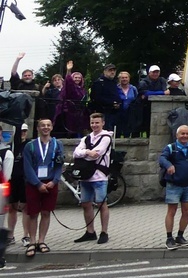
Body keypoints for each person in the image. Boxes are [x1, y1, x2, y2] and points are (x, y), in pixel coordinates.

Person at [23, 119, 65, 257]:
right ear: (38, 128)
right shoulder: (30, 146)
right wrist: (38, 184)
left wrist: (54, 181)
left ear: (52, 127)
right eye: (43, 125)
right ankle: (32, 242)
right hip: (34, 183)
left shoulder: (57, 144)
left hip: (51, 182)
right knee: (33, 213)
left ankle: (42, 241)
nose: (45, 128)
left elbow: (59, 164)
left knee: (46, 212)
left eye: (48, 125)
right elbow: (27, 167)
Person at [159, 125, 188, 250]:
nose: (185, 136)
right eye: (182, 134)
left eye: (187, 134)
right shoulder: (171, 148)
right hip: (174, 185)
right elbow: (162, 158)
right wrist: (169, 165)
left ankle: (180, 236)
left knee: (187, 211)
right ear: (177, 135)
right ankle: (169, 238)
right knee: (171, 211)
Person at [72, 113, 113, 244]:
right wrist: (87, 152)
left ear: (103, 123)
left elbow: (97, 154)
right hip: (86, 176)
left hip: (100, 176)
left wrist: (85, 153)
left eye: (97, 122)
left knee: (101, 204)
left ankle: (104, 232)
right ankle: (90, 232)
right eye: (92, 123)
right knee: (85, 204)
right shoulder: (86, 138)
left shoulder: (106, 138)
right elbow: (75, 153)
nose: (94, 125)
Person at [7, 123, 29, 247]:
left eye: (25, 131)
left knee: (25, 208)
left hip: (25, 180)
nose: (23, 134)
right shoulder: (10, 146)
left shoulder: (30, 145)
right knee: (12, 207)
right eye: (21, 131)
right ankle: (10, 235)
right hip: (12, 179)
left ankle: (26, 235)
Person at [137, 65, 168, 137]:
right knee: (144, 126)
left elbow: (165, 90)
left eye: (157, 72)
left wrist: (153, 93)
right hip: (144, 108)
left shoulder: (162, 80)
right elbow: (146, 93)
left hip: (159, 108)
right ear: (149, 73)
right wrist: (162, 93)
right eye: (153, 72)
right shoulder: (143, 82)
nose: (155, 74)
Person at [89, 64, 122, 131]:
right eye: (110, 70)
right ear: (105, 71)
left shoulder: (114, 82)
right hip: (103, 112)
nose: (112, 72)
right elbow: (96, 98)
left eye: (114, 70)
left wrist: (118, 103)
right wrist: (111, 103)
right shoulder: (99, 83)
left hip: (114, 112)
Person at [117, 71, 138, 137]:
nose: (124, 79)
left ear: (129, 78)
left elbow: (136, 98)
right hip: (119, 112)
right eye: (122, 78)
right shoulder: (116, 88)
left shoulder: (133, 88)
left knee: (128, 131)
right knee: (118, 130)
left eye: (126, 77)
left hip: (130, 113)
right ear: (119, 79)